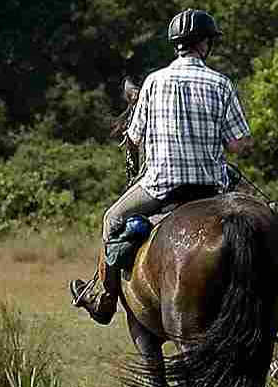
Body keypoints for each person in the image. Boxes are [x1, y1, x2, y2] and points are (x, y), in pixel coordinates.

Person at [70, 9, 251, 325]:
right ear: (205, 44)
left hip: (161, 185)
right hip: (211, 187)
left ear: (177, 44)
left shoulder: (153, 82)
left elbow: (135, 138)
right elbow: (239, 144)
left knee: (111, 218)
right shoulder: (221, 83)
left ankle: (104, 299)